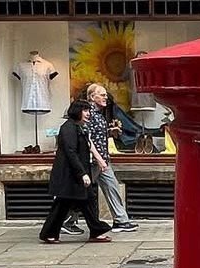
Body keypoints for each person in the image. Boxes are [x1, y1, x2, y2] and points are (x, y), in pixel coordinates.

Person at [39, 102, 112, 244]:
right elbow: (71, 153)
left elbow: (85, 148)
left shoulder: (78, 127)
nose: (88, 113)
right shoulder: (68, 128)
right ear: (77, 111)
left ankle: (96, 231)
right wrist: (82, 174)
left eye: (88, 110)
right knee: (62, 205)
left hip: (75, 175)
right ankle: (49, 233)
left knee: (88, 200)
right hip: (69, 176)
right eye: (85, 110)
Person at [85, 82, 138, 233]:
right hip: (94, 161)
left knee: (112, 187)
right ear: (91, 97)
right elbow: (87, 139)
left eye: (105, 95)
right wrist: (99, 159)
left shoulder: (99, 114)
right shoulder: (89, 114)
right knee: (81, 191)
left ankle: (121, 221)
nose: (105, 97)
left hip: (103, 160)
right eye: (101, 95)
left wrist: (110, 131)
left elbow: (97, 135)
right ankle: (67, 220)